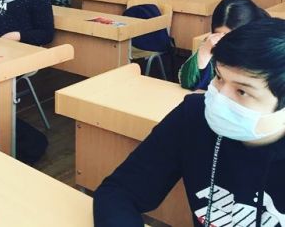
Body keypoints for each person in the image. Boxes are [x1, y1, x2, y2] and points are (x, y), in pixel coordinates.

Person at [94, 18, 285, 226]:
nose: (219, 98)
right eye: (219, 78)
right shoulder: (194, 116)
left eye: (242, 91)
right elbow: (119, 192)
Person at [179, 0, 269, 90]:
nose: (227, 44)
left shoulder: (268, 52)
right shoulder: (214, 45)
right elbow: (188, 83)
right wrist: (204, 53)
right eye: (221, 36)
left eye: (233, 37)